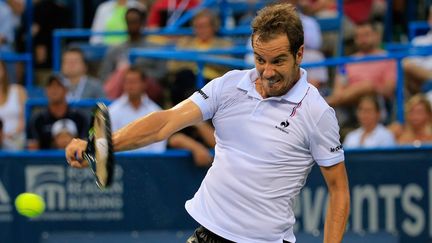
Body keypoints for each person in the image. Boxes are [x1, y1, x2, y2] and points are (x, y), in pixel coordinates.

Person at [66, 3, 350, 243]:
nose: (267, 71)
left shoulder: (317, 113)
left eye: (278, 61)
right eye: (260, 59)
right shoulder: (229, 85)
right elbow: (166, 122)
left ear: (299, 54)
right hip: (209, 234)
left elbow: (338, 190)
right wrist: (103, 144)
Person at [109, 66, 213, 165]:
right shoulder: (112, 111)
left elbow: (161, 144)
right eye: (127, 82)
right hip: (120, 165)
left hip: (151, 166)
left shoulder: (155, 110)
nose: (130, 86)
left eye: (134, 82)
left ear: (144, 84)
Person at [99, 6, 165, 102]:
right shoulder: (115, 49)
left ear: (142, 23)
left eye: (135, 21)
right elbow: (104, 75)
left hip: (148, 89)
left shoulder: (155, 48)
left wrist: (139, 75)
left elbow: (162, 73)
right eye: (129, 22)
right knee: (122, 71)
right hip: (120, 90)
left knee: (130, 74)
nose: (132, 25)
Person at [27, 74, 89, 150]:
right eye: (50, 86)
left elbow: (85, 148)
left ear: (66, 90)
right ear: (46, 91)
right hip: (45, 162)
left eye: (58, 86)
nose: (54, 90)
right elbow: (32, 151)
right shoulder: (37, 120)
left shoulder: (80, 118)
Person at [402, 5, 432, 95]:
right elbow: (410, 65)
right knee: (404, 63)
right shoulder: (419, 41)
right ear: (429, 20)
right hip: (423, 87)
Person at [0, 60, 27, 150]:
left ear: (4, 70)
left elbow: (24, 119)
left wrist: (9, 135)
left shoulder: (18, 90)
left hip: (17, 139)